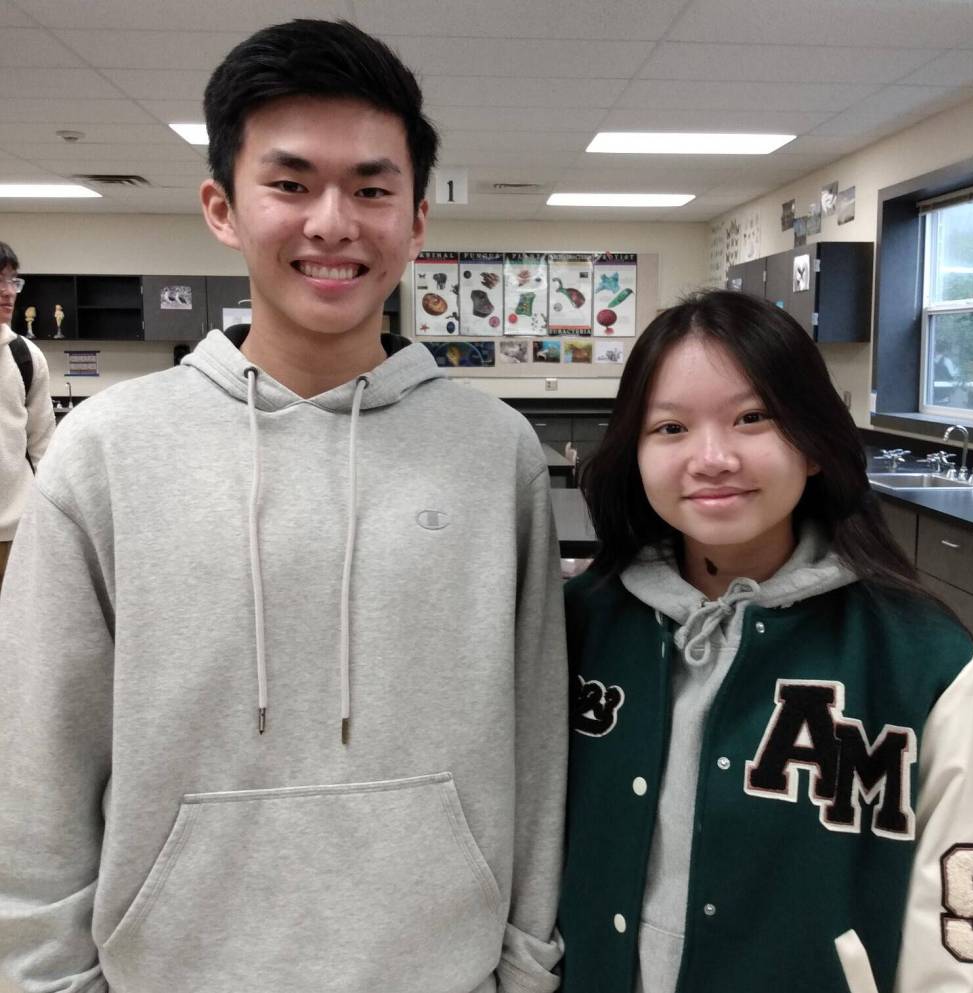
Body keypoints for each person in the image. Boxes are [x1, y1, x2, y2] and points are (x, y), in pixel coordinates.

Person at [0, 20, 566, 993]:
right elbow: (36, 771)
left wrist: (521, 969)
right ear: (222, 206)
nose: (333, 222)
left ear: (418, 218)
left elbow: (535, 749)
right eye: (291, 184)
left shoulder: (494, 455)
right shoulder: (104, 455)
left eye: (373, 188)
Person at [558, 290, 973, 993]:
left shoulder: (918, 660)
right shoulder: (576, 629)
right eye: (670, 427)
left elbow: (965, 907)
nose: (711, 457)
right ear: (634, 453)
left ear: (815, 441)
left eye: (752, 418)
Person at [0, 240, 55, 589]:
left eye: (13, 281)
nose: (8, 292)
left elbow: (44, 449)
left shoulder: (25, 357)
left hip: (16, 532)